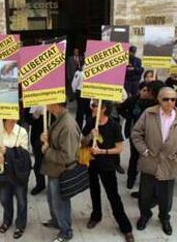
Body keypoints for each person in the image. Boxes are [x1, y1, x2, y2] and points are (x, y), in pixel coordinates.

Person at [132, 87, 177, 236]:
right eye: (166, 99)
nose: (169, 102)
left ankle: (164, 218)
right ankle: (145, 215)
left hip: (169, 166)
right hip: (150, 163)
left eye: (173, 99)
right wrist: (144, 150)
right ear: (159, 99)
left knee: (166, 198)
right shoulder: (148, 114)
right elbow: (136, 134)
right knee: (145, 196)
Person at [82, 100, 134, 242]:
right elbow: (82, 142)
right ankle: (95, 216)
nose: (91, 107)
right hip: (92, 163)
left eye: (94, 105)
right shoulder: (91, 121)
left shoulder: (114, 126)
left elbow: (119, 148)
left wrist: (102, 151)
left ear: (103, 109)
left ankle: (125, 227)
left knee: (113, 196)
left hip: (107, 165)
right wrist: (90, 136)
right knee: (94, 191)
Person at [40, 102, 81, 242]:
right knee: (52, 199)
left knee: (60, 203)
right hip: (53, 169)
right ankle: (56, 221)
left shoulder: (68, 124)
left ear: (56, 104)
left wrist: (47, 150)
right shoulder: (59, 118)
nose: (46, 105)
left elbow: (66, 156)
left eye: (48, 103)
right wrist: (46, 139)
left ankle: (66, 231)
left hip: (61, 171)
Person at [0, 119, 29, 239]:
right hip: (3, 172)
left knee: (21, 200)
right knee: (4, 199)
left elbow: (24, 154)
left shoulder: (21, 132)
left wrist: (8, 151)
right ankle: (7, 220)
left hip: (18, 173)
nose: (14, 119)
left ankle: (21, 224)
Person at [118, 82, 153, 189]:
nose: (146, 93)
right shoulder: (133, 100)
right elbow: (121, 108)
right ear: (139, 91)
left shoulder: (152, 103)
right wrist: (129, 116)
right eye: (144, 91)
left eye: (148, 91)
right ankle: (131, 179)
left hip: (148, 133)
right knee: (134, 157)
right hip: (135, 132)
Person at [24, 107, 45, 195]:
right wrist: (33, 117)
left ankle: (55, 185)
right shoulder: (30, 100)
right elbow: (27, 119)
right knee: (38, 163)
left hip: (52, 133)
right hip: (37, 136)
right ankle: (40, 184)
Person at [72, 62, 91, 129]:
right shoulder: (92, 70)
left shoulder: (79, 72)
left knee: (80, 110)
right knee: (88, 110)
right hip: (89, 92)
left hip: (80, 92)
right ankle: (88, 126)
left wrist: (73, 91)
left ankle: (78, 127)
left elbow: (74, 83)